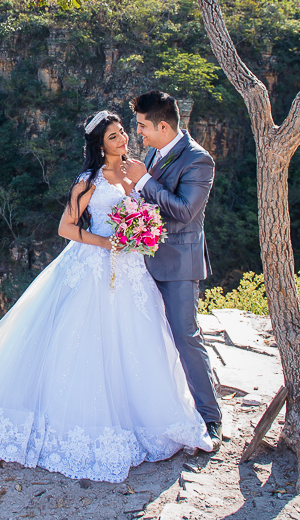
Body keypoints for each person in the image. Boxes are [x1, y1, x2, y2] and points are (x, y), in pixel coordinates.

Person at [0, 110, 212, 488]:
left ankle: (150, 419)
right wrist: (108, 242)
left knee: (138, 340)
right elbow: (66, 227)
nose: (124, 140)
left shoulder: (136, 171)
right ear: (100, 145)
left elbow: (153, 208)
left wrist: (141, 232)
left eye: (123, 134)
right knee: (87, 343)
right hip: (96, 265)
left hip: (132, 270)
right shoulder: (88, 181)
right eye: (114, 137)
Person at [124, 90, 223, 451]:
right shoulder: (153, 152)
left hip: (179, 264)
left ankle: (210, 417)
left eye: (143, 126)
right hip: (145, 260)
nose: (140, 135)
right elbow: (147, 202)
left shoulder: (199, 160)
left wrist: (144, 182)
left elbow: (184, 210)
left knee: (185, 336)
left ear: (163, 126)